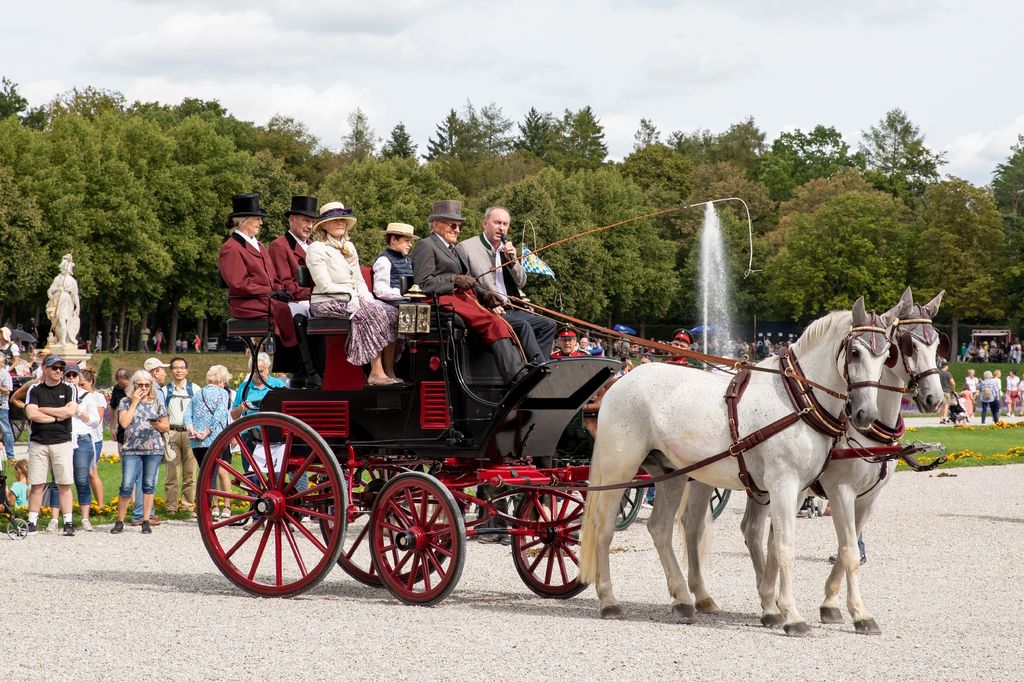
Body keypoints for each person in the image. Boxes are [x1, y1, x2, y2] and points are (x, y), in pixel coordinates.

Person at [412, 199, 525, 384]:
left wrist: (485, 294)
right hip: (442, 298)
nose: (457, 230)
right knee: (492, 322)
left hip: (462, 297)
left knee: (499, 321)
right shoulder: (427, 245)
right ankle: (515, 378)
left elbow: (468, 279)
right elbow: (424, 282)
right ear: (436, 224)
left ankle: (522, 369)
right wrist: (454, 280)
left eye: (459, 226)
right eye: (453, 225)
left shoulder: (454, 250)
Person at [306, 201, 401, 385]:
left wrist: (366, 297)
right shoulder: (316, 249)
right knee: (372, 313)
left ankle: (389, 370)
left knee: (392, 313)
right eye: (335, 220)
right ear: (324, 225)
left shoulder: (349, 247)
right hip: (326, 300)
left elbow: (358, 278)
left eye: (343, 220)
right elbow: (324, 284)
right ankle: (375, 372)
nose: (340, 223)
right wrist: (353, 295)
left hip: (351, 297)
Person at [218, 192, 309, 382]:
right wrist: (272, 292)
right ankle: (301, 368)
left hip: (265, 299)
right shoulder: (231, 248)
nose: (261, 223)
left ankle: (302, 367)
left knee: (300, 308)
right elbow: (239, 284)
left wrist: (281, 291)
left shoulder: (258, 245)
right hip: (248, 303)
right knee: (296, 310)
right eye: (257, 218)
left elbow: (273, 278)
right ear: (243, 221)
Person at [455, 206, 556, 364]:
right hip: (487, 309)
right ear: (485, 223)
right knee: (523, 326)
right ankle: (539, 369)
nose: (501, 228)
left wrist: (513, 261)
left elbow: (521, 282)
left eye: (505, 224)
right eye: (497, 223)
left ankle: (540, 366)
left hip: (511, 307)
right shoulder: (466, 248)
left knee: (548, 325)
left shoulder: (506, 249)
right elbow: (465, 286)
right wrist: (487, 303)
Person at [269, 195, 321, 388]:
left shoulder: (314, 246)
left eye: (312, 222)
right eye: (306, 221)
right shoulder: (279, 246)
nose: (309, 226)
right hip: (290, 300)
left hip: (311, 297)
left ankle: (321, 366)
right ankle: (309, 370)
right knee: (305, 310)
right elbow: (285, 283)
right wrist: (314, 295)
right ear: (292, 219)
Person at [23, 355, 79, 536]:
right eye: (54, 368)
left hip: (62, 441)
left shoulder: (69, 388)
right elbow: (32, 414)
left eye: (61, 368)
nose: (58, 371)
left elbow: (71, 410)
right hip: (39, 441)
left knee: (64, 483)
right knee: (37, 483)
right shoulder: (35, 389)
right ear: (45, 368)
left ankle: (68, 521)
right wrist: (56, 417)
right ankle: (32, 521)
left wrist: (44, 409)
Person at [111, 370, 169, 534]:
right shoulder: (125, 401)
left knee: (149, 484)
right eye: (140, 384)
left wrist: (156, 424)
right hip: (131, 448)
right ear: (134, 385)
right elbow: (123, 422)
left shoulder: (157, 401)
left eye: (147, 384)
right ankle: (120, 520)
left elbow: (166, 426)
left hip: (153, 448)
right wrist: (135, 402)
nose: (143, 387)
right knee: (127, 485)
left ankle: (145, 520)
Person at [184, 364, 232, 518]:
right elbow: (220, 414)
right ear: (221, 380)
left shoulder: (198, 393)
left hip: (196, 440)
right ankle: (206, 510)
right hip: (213, 438)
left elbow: (187, 414)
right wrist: (207, 432)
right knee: (212, 475)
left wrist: (191, 429)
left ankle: (204, 508)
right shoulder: (223, 394)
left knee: (204, 474)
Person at [61, 364, 100, 531]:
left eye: (73, 376)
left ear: (78, 378)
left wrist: (79, 412)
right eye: (68, 376)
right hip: (62, 438)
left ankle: (85, 517)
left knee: (82, 479)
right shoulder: (59, 395)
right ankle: (61, 518)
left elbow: (95, 421)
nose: (71, 379)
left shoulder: (87, 397)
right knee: (61, 480)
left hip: (82, 438)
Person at [163, 357, 199, 515]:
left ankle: (188, 506)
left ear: (187, 370)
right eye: (175, 368)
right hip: (171, 432)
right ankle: (171, 507)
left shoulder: (195, 389)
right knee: (172, 473)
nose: (179, 370)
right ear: (171, 371)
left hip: (190, 434)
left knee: (190, 473)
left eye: (182, 368)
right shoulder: (165, 391)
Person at [78, 368, 106, 513]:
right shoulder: (76, 394)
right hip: (80, 437)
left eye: (83, 384)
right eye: (80, 384)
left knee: (91, 472)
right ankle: (87, 503)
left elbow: (98, 417)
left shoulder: (97, 397)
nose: (81, 387)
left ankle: (100, 504)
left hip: (94, 438)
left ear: (91, 382)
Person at [373, 222, 417, 305]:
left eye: (410, 241)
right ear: (393, 240)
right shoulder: (384, 260)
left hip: (410, 304)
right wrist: (406, 294)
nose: (410, 245)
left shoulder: (408, 259)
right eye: (407, 241)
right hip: (394, 306)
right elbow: (380, 290)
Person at [110, 368, 131, 455]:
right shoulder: (117, 388)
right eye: (120, 385)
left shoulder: (139, 387)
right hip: (122, 431)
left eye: (125, 385)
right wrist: (113, 428)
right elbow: (112, 407)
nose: (123, 388)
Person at [0, 352, 14, 463]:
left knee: (6, 431)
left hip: (2, 406)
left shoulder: (5, 374)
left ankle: (10, 456)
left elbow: (8, 391)